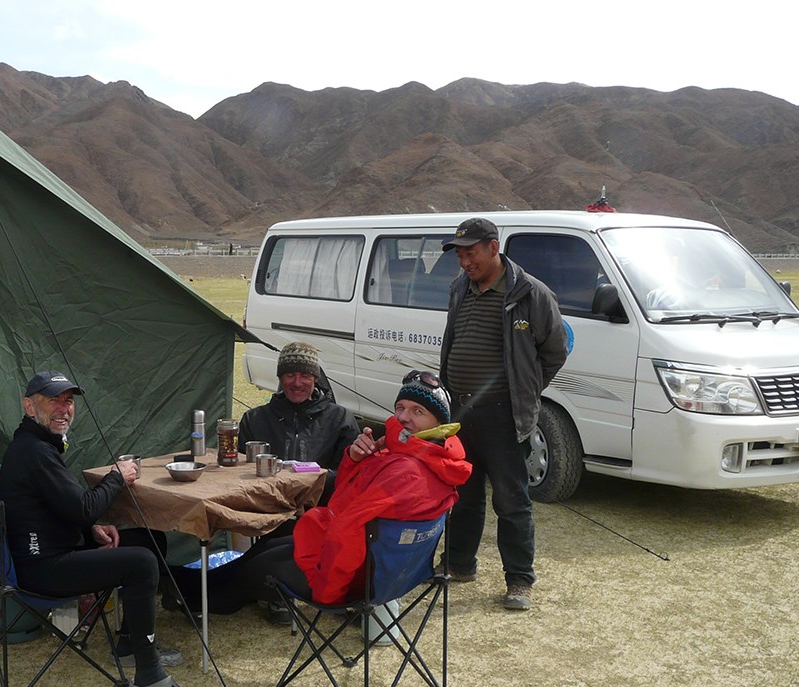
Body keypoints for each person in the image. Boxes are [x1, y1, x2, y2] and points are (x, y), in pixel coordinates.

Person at [173, 371, 470, 613]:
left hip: (358, 575)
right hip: (387, 567)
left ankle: (190, 596)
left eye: (418, 411)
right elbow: (347, 496)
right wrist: (355, 459)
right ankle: (186, 585)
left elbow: (347, 522)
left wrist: (327, 589)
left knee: (259, 569)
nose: (404, 417)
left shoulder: (408, 470)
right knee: (270, 546)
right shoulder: (428, 456)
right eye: (400, 408)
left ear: (438, 423)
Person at [0, 370, 199, 687]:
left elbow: (58, 507)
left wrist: (91, 529)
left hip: (52, 551)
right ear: (29, 406)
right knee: (141, 563)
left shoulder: (38, 445)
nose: (63, 408)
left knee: (149, 541)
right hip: (42, 569)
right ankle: (149, 676)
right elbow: (84, 505)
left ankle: (130, 645)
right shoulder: (33, 451)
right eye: (53, 400)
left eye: (68, 401)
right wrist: (117, 477)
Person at [438, 217, 568, 611]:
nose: (464, 262)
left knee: (512, 501)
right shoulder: (459, 288)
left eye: (471, 253)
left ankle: (519, 581)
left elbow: (555, 350)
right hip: (460, 411)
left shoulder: (531, 293)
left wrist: (525, 390)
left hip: (503, 415)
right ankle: (459, 564)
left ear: (494, 247)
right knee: (462, 494)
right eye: (459, 254)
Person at [235, 341, 359, 621]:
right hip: (272, 513)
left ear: (315, 378)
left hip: (323, 511)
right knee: (283, 530)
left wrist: (314, 497)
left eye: (304, 375)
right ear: (280, 378)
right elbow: (239, 475)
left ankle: (338, 590)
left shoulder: (339, 419)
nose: (297, 382)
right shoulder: (255, 420)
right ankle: (277, 592)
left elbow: (349, 476)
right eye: (290, 375)